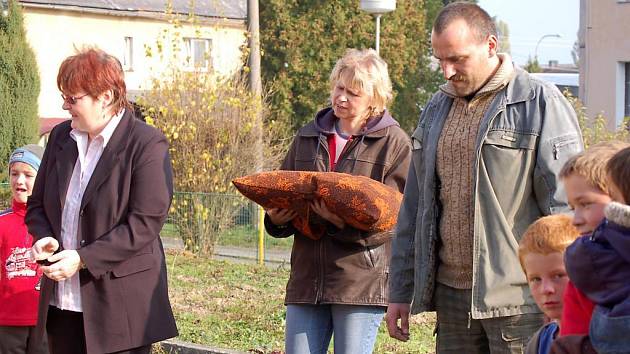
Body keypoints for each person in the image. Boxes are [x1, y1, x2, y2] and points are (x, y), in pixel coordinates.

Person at [386, 2, 583, 353]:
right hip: (451, 300)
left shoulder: (540, 102)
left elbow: (567, 210)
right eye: (440, 59)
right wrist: (401, 291)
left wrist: (567, 295)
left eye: (457, 59)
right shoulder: (434, 108)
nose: (446, 71)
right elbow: (414, 207)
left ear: (491, 46)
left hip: (521, 302)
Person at [25, 48, 178, 354]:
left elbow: (144, 223)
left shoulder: (146, 143)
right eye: (64, 96)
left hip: (120, 310)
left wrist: (82, 258)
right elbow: (38, 204)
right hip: (62, 304)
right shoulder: (60, 137)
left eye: (73, 98)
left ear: (105, 97)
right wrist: (44, 238)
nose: (65, 105)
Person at [265, 48, 411, 354]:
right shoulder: (307, 136)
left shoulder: (395, 144)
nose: (341, 98)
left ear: (375, 97)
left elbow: (397, 219)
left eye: (353, 93)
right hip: (307, 280)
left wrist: (340, 224)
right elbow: (284, 189)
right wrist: (276, 220)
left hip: (359, 282)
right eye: (339, 88)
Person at [557, 141, 629, 336]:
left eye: (586, 204)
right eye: (573, 208)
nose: (576, 220)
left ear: (619, 197)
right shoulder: (585, 266)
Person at [0, 145, 48, 354]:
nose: (19, 180)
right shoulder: (2, 222)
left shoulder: (54, 223)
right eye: (14, 173)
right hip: (7, 320)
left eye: (28, 175)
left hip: (46, 320)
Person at [517, 214, 580, 354]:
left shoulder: (606, 339)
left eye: (558, 276)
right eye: (536, 279)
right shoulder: (539, 343)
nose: (546, 289)